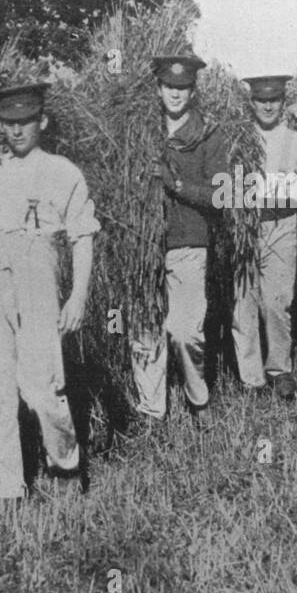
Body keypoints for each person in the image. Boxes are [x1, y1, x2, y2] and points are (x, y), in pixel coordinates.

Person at [0, 82, 98, 500]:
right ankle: (6, 488)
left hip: (39, 285)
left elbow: (82, 236)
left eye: (25, 122)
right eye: (8, 123)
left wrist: (78, 295)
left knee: (44, 387)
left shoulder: (63, 172)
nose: (17, 131)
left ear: (41, 121)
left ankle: (66, 466)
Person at [131, 55, 229, 421]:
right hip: (143, 244)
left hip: (189, 243)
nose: (175, 93)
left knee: (184, 332)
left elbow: (221, 195)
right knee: (144, 330)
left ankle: (198, 397)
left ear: (193, 90)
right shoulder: (141, 130)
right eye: (169, 87)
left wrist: (177, 184)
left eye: (182, 87)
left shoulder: (208, 133)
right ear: (158, 89)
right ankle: (151, 409)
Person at [231, 75, 297, 401]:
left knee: (277, 302)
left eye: (274, 99)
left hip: (283, 226)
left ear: (283, 102)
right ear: (251, 103)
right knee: (243, 304)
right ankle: (251, 378)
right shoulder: (238, 139)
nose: (267, 106)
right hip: (246, 229)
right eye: (260, 100)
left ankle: (280, 370)